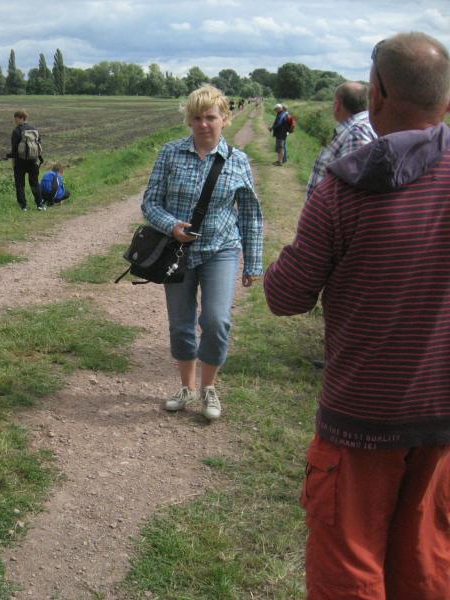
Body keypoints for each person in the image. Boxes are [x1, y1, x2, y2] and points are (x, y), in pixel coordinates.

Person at [263, 32, 450, 600]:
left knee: (349, 566)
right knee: (427, 562)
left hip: (362, 414)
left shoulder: (345, 187)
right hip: (444, 415)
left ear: (378, 93)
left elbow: (286, 296)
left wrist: (283, 262)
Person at [142, 84, 263, 421]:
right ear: (189, 120)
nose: (203, 124)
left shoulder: (237, 160)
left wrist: (253, 263)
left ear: (225, 118)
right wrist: (171, 226)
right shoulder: (170, 153)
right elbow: (150, 202)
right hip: (177, 252)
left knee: (216, 320)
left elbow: (250, 214)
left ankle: (209, 387)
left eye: (210, 117)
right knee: (180, 323)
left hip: (220, 249)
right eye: (196, 118)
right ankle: (187, 387)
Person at [305, 82, 377, 201]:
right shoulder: (364, 125)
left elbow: (353, 190)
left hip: (329, 211)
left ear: (338, 104)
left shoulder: (356, 133)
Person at [8, 109, 44, 211]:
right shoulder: (34, 129)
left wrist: (13, 161)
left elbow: (14, 149)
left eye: (16, 119)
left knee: (20, 184)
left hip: (20, 162)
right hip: (33, 161)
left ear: (22, 118)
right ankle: (40, 204)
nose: (15, 121)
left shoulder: (16, 131)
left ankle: (23, 206)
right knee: (35, 183)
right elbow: (39, 143)